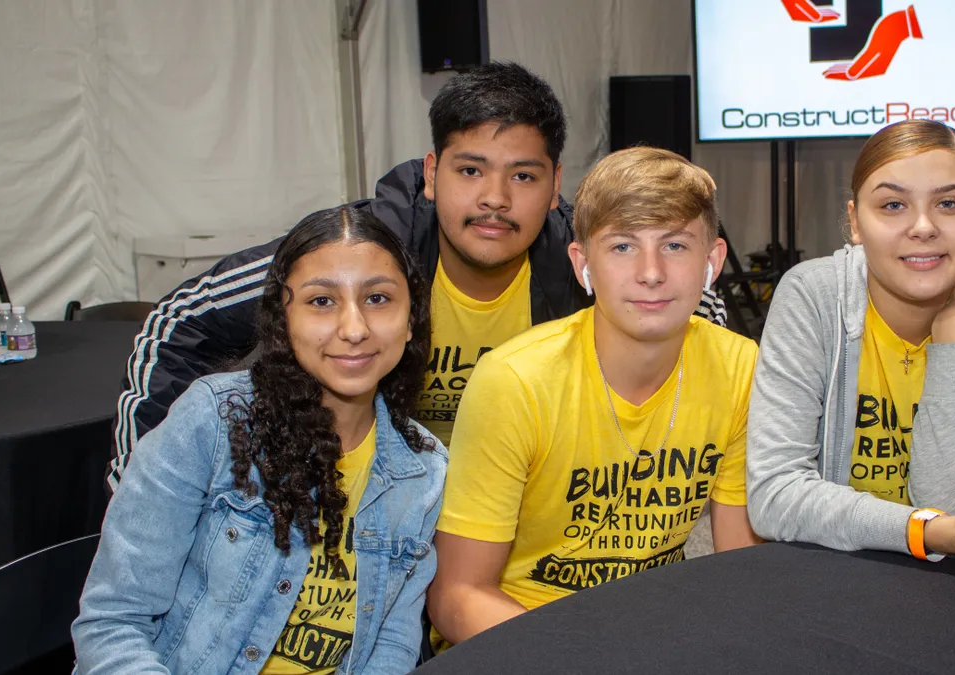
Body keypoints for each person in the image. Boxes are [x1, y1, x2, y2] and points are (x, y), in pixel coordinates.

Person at [107, 61, 729, 492]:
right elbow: (178, 320)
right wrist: (151, 493)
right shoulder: (367, 250)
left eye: (523, 175)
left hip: (532, 507)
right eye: (470, 171)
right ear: (432, 174)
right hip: (384, 504)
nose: (494, 199)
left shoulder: (586, 260)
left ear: (556, 183)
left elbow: (703, 309)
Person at [73, 204, 446, 674]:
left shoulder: (424, 470)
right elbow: (113, 623)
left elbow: (391, 646)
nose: (354, 329)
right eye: (321, 301)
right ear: (282, 319)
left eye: (378, 299)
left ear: (412, 319)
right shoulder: (212, 421)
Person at [427, 147, 763, 647]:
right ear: (583, 265)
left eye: (674, 246)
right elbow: (458, 595)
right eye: (623, 247)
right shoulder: (515, 381)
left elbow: (741, 571)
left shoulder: (741, 368)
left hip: (660, 631)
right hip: (523, 637)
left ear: (712, 261)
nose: (651, 272)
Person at [746, 119, 955, 601]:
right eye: (893, 205)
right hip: (830, 564)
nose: (923, 227)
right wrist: (925, 531)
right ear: (855, 221)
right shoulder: (814, 296)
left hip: (950, 582)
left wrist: (951, 339)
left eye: (950, 204)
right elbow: (774, 496)